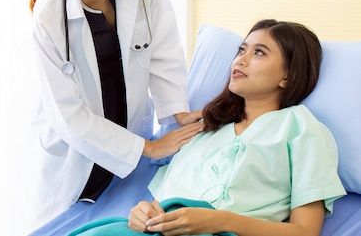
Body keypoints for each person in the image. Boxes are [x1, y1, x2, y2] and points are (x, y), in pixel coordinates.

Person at [68, 19, 346, 236]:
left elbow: (305, 231)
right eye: (241, 50)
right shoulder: (206, 130)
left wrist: (219, 220)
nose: (240, 60)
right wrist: (142, 212)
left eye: (259, 52)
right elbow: (162, 203)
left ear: (289, 75)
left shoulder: (301, 128)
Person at [25, 0, 203, 231]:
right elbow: (68, 117)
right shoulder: (50, 15)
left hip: (129, 139)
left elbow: (162, 41)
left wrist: (177, 109)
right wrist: (148, 147)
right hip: (76, 159)